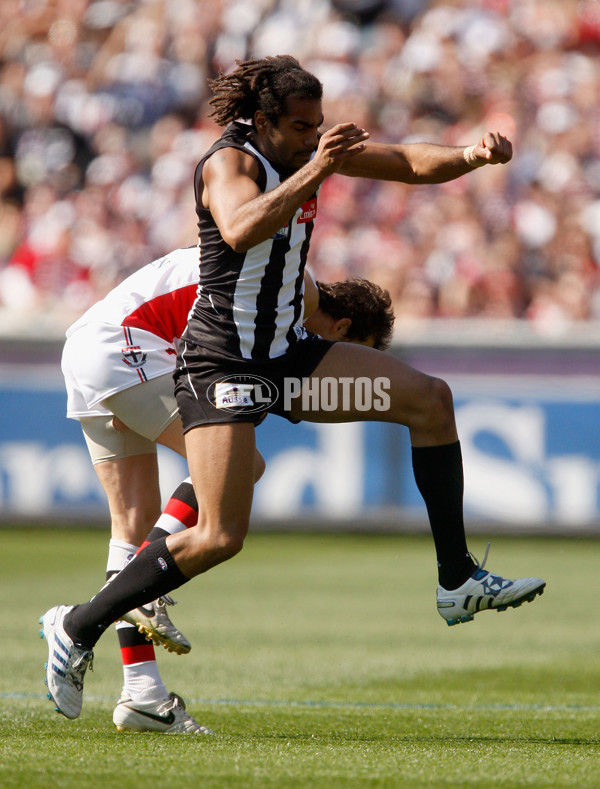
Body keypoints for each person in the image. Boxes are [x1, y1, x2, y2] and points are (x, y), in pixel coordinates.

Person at [41, 55, 545, 723]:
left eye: (318, 126)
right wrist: (318, 167)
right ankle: (77, 625)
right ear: (266, 119)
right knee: (220, 535)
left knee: (431, 399)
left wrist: (472, 154)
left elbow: (410, 164)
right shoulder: (230, 163)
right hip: (221, 364)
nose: (313, 136)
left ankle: (457, 579)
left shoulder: (311, 150)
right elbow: (241, 227)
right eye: (301, 126)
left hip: (286, 357)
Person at [57, 240, 395, 731]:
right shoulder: (291, 291)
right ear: (341, 329)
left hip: (93, 344)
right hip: (125, 344)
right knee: (242, 466)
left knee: (130, 527)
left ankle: (142, 695)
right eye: (346, 350)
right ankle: (118, 605)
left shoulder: (289, 283)